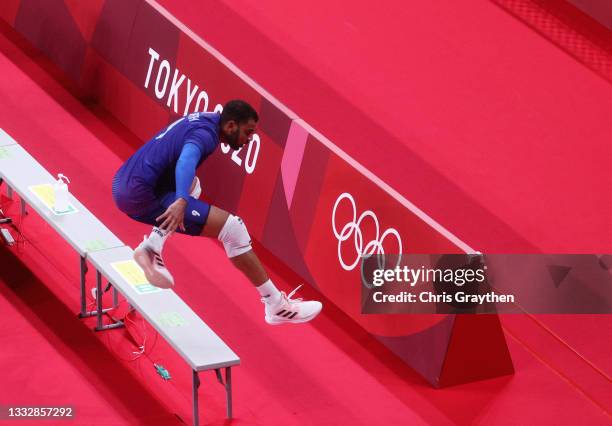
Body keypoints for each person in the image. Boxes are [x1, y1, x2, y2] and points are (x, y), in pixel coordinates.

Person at [112, 100, 322, 325]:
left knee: (194, 185)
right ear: (231, 126)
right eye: (248, 132)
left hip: (123, 182)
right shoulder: (205, 136)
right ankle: (276, 305)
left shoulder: (205, 119)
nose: (250, 139)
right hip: (141, 195)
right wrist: (181, 199)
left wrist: (185, 192)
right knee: (234, 230)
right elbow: (185, 161)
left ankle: (152, 247)